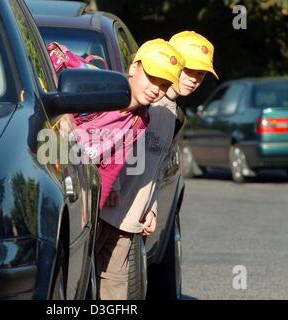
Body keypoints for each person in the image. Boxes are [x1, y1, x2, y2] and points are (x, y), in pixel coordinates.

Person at [98, 31, 218, 300]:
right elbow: (107, 145)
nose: (193, 79)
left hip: (129, 217)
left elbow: (158, 165)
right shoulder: (145, 103)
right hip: (103, 209)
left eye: (201, 74)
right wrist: (113, 185)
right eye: (188, 69)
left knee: (114, 288)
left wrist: (150, 205)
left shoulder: (173, 113)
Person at [93, 39, 185, 300]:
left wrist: (151, 205)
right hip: (92, 213)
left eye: (164, 84)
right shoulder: (103, 99)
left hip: (124, 215)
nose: (156, 89)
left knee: (114, 286)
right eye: (152, 78)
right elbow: (75, 146)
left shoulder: (144, 118)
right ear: (134, 67)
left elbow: (152, 163)